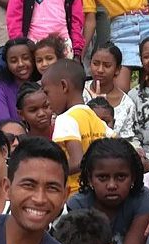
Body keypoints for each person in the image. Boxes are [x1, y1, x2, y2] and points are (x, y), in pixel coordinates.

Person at [66, 137, 149, 244]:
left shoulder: (142, 199)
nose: (112, 185)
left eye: (121, 177)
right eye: (103, 177)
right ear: (90, 178)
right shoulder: (78, 204)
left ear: (133, 177)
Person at [43, 58, 108, 188]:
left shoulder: (65, 119)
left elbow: (77, 161)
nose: (47, 101)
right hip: (96, 190)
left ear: (64, 86)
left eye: (47, 92)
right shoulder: (94, 117)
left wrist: (48, 172)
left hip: (73, 191)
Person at [0, 38, 36, 131]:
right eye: (14, 61)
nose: (20, 64)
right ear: (7, 64)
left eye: (25, 58)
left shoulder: (44, 80)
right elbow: (4, 123)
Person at [84, 44, 130, 120]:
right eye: (95, 64)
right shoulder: (79, 91)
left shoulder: (127, 105)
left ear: (117, 69)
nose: (100, 70)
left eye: (107, 66)